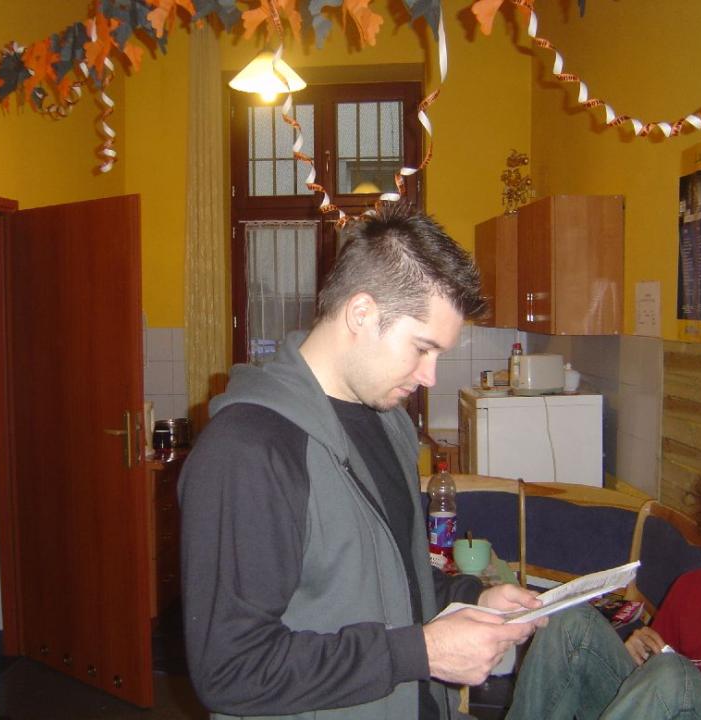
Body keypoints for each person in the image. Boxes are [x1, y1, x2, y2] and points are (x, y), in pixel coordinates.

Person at [179, 202, 543, 720]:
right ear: (361, 313)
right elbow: (230, 671)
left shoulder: (389, 423)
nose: (430, 377)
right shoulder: (248, 450)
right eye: (422, 348)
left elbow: (392, 579)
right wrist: (422, 652)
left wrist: (470, 598)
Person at [506, 446, 701, 719]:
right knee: (569, 620)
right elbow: (657, 676)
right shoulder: (691, 587)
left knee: (672, 673)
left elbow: (672, 678)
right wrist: (637, 653)